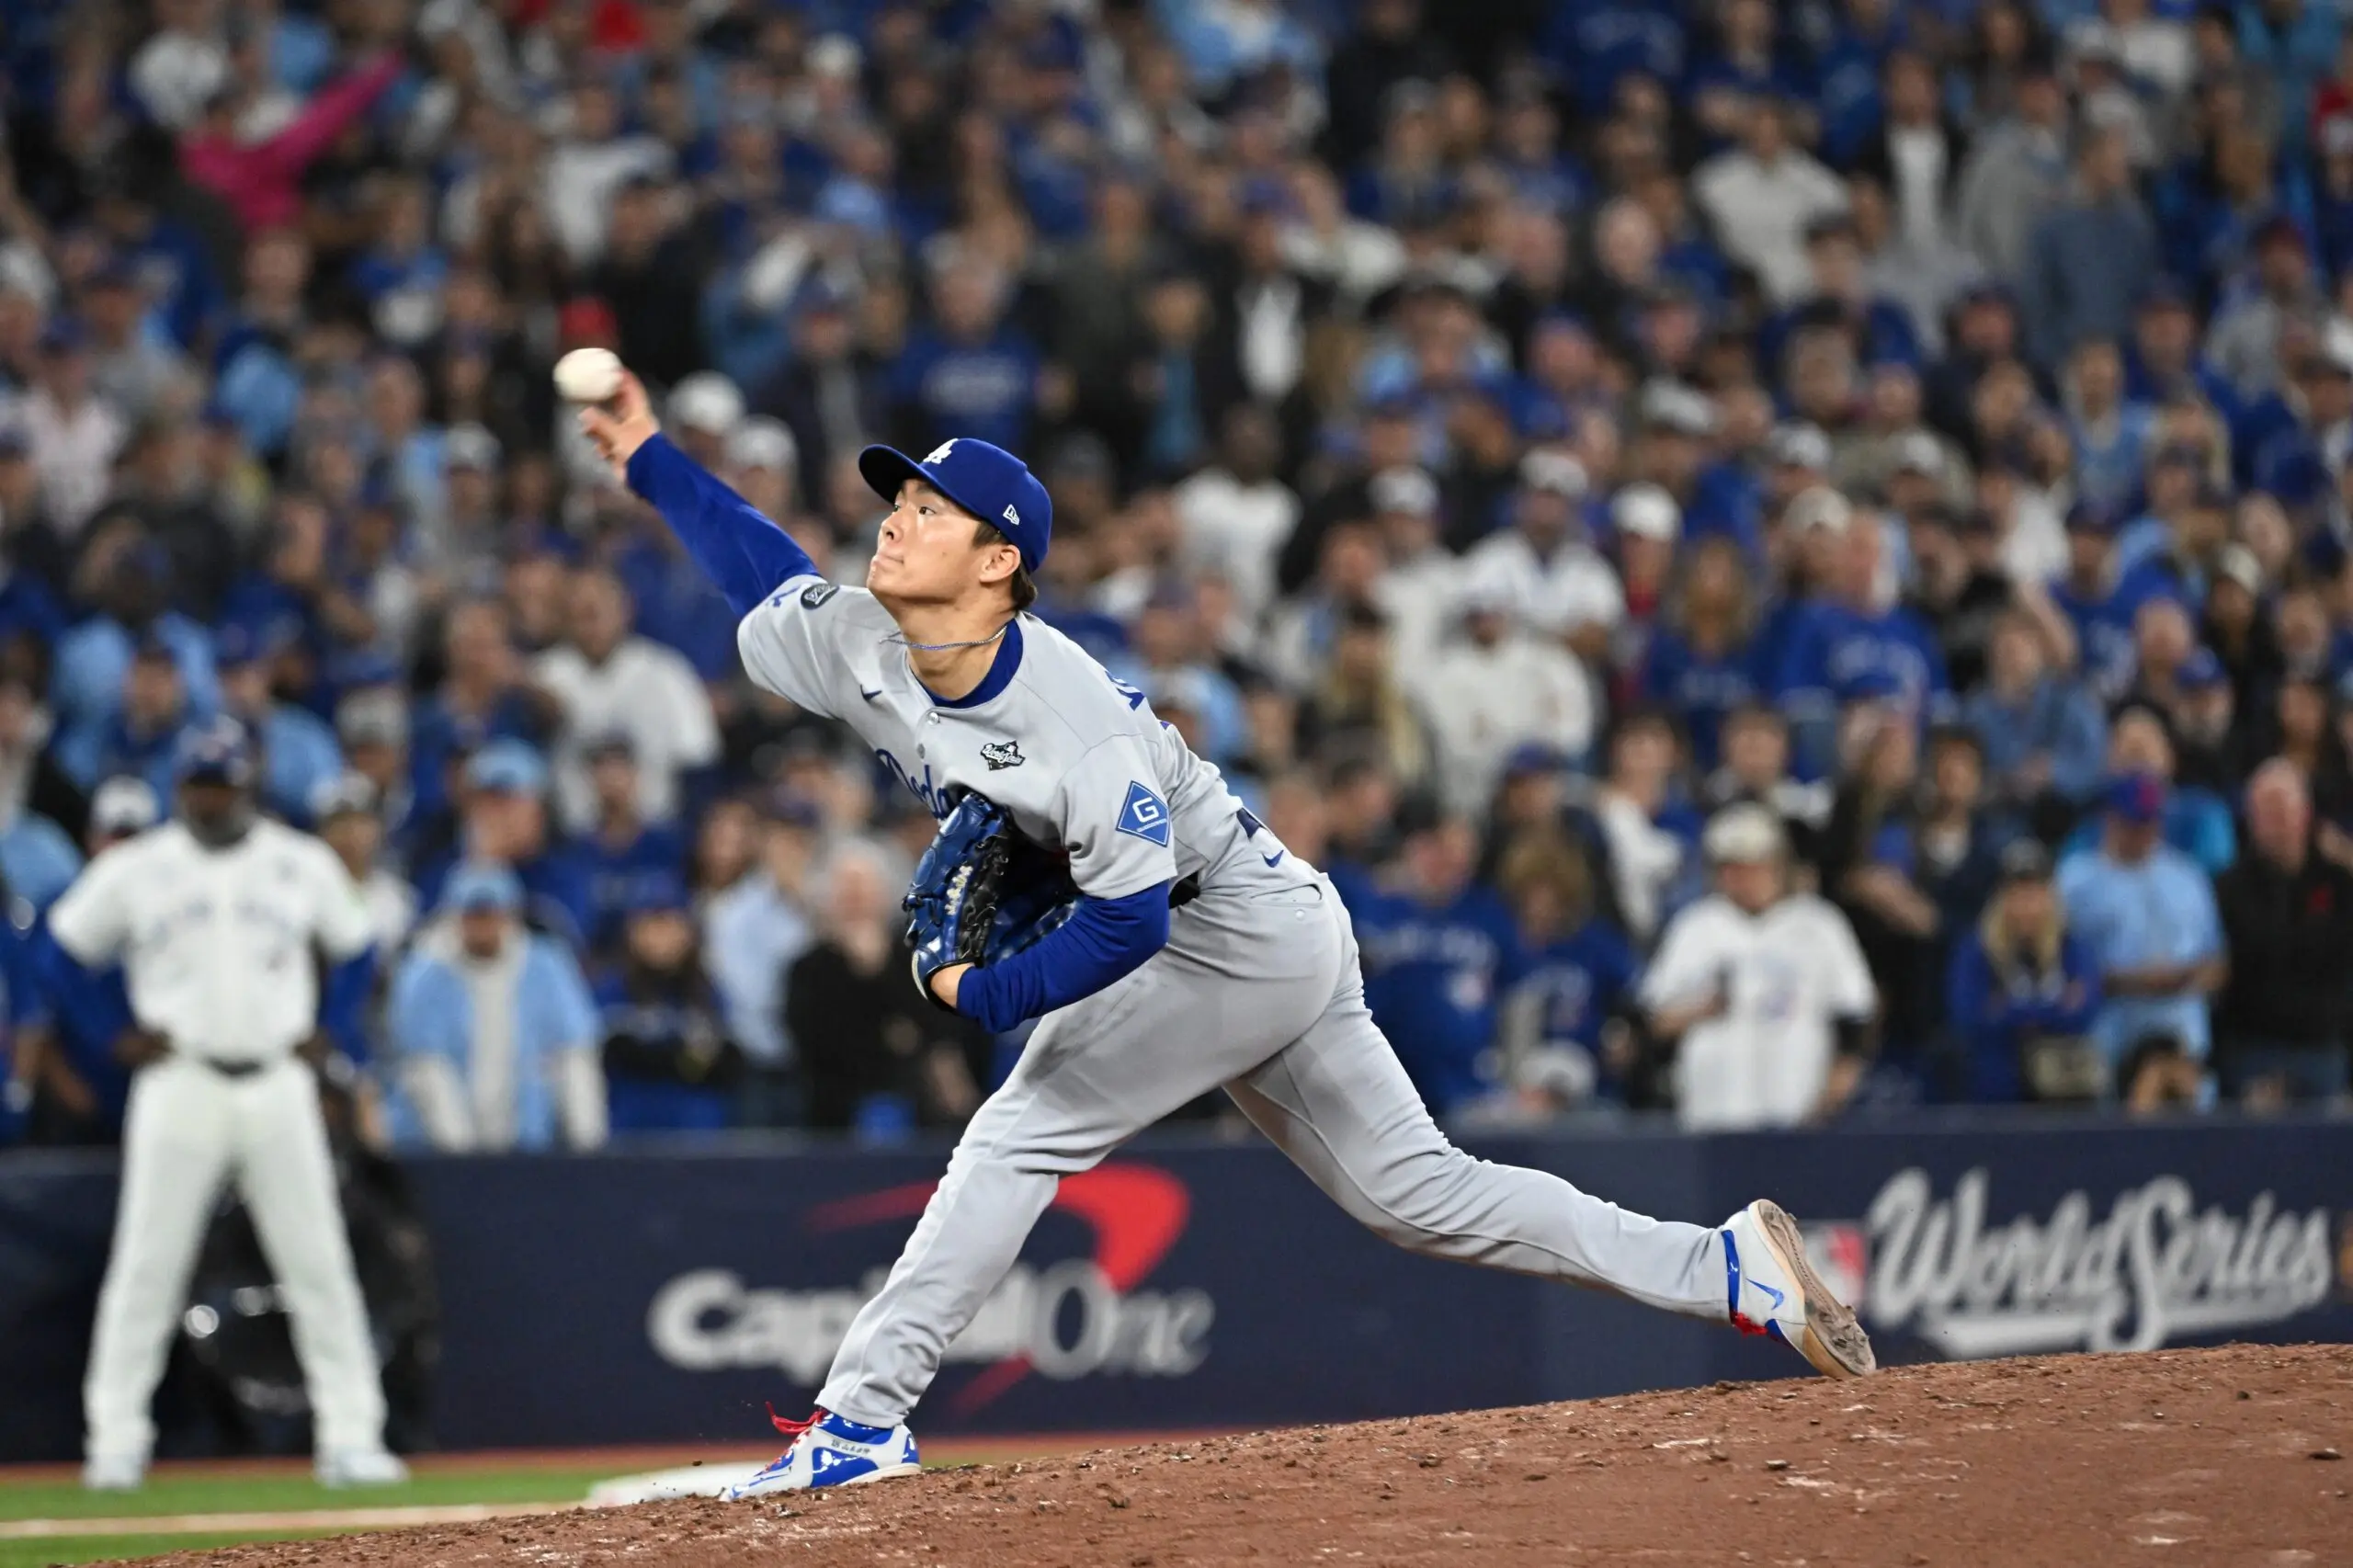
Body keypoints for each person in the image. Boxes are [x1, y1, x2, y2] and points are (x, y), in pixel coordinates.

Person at [577, 369, 1877, 1494]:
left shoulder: (1069, 714)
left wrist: (987, 989)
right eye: (899, 495)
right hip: (1269, 922)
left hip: (1227, 934)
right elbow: (758, 563)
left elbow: (1130, 924)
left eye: (929, 506)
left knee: (1022, 1126)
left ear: (997, 561)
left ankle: (861, 1421)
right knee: (1416, 1193)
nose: (897, 514)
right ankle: (1727, 1267)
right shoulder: (866, 639)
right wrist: (647, 457)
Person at [46, 718, 402, 1490]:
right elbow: (63, 950)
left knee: (318, 1263)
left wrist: (329, 1030)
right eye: (200, 785)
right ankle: (116, 1440)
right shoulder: (141, 866)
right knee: (147, 1265)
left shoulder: (296, 860)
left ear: (248, 786)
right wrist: (111, 1034)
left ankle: (351, 1434)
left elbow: (358, 946)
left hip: (277, 1080)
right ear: (181, 787)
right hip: (182, 1079)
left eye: (224, 785)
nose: (212, 799)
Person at [1643, 803, 1879, 1131]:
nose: (1743, 877)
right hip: (1712, 1114)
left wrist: (1836, 1088)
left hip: (1797, 1112)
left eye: (1754, 865)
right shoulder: (1696, 926)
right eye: (1731, 867)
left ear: (1777, 865)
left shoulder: (1817, 924)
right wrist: (1699, 1010)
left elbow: (1856, 1013)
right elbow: (1653, 1022)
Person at [383, 862, 606, 1153]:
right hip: (435, 1149)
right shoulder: (426, 973)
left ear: (510, 915)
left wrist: (587, 1146)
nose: (483, 926)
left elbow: (574, 1055)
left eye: (491, 914)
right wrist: (460, 1156)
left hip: (527, 1143)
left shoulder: (546, 967)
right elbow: (427, 1067)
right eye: (473, 915)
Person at [2055, 771, 2227, 1093]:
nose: (2145, 832)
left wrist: (2186, 978)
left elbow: (2217, 962)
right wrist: (2131, 980)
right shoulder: (2076, 881)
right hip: (2111, 1037)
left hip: (2184, 1035)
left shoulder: (2187, 876)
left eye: (2151, 821)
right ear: (2110, 819)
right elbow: (2061, 968)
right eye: (2135, 822)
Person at [2211, 760, 2353, 1106]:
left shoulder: (2337, 881)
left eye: (2282, 810)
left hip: (2323, 1046)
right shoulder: (2229, 889)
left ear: (2305, 814)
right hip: (2253, 1047)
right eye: (2265, 812)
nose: (2275, 824)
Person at [1946, 838, 2105, 1105]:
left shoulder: (2072, 947)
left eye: (2035, 893)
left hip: (2062, 1089)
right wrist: (2053, 1010)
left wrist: (2007, 1011)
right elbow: (1967, 1016)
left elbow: (2085, 1011)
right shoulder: (1977, 949)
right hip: (1996, 1088)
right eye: (2018, 894)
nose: (2027, 905)